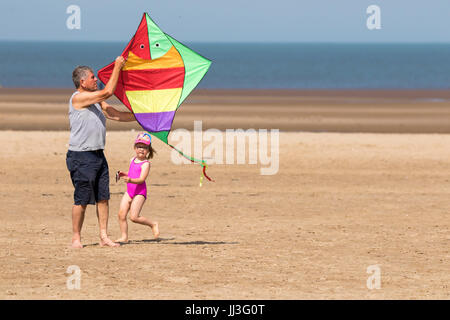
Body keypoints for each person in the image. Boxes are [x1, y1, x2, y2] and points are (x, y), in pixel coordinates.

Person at [66, 56, 136, 248]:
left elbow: (115, 114)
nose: (96, 80)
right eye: (92, 77)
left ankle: (104, 236)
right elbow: (108, 92)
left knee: (103, 197)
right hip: (81, 156)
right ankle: (76, 237)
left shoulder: (96, 99)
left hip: (98, 154)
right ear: (82, 82)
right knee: (81, 199)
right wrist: (118, 67)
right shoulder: (78, 98)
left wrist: (143, 118)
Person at [115, 132, 159, 243]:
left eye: (144, 147)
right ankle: (124, 237)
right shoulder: (132, 160)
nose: (141, 149)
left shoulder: (146, 164)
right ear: (135, 148)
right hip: (129, 191)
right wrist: (123, 174)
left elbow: (141, 179)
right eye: (139, 146)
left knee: (134, 217)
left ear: (148, 150)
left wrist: (130, 180)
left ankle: (153, 224)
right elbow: (131, 173)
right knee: (121, 214)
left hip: (139, 192)